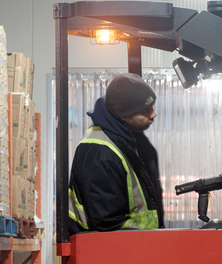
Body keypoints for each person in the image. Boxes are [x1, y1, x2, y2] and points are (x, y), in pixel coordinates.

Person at [67, 73, 165, 234]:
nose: (153, 114)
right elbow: (109, 222)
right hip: (107, 251)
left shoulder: (123, 138)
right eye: (146, 110)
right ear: (125, 115)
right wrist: (150, 243)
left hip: (131, 247)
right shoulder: (100, 153)